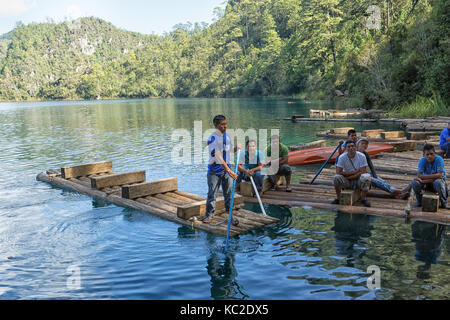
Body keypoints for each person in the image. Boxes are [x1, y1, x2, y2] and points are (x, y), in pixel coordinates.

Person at [200, 115, 241, 224]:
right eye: (222, 124)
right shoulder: (212, 139)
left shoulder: (227, 137)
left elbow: (231, 150)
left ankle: (230, 216)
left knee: (228, 194)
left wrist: (237, 148)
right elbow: (218, 157)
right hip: (215, 172)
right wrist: (230, 171)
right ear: (215, 125)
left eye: (225, 124)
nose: (225, 126)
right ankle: (209, 215)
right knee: (212, 194)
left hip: (226, 170)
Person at [332, 139, 371, 207]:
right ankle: (338, 198)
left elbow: (363, 172)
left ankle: (363, 199)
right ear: (346, 149)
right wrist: (354, 172)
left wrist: (349, 176)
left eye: (352, 146)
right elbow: (338, 172)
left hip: (358, 180)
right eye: (349, 147)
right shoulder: (342, 157)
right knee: (336, 178)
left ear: (355, 147)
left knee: (366, 177)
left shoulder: (362, 156)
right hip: (346, 180)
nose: (351, 148)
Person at [411, 144, 449, 209]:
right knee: (415, 182)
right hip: (426, 183)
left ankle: (444, 202)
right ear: (423, 155)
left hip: (436, 183)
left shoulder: (439, 159)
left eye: (432, 154)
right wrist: (434, 177)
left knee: (438, 182)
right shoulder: (422, 160)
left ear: (435, 153)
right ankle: (419, 201)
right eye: (427, 154)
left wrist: (423, 180)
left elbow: (440, 175)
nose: (429, 156)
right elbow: (419, 175)